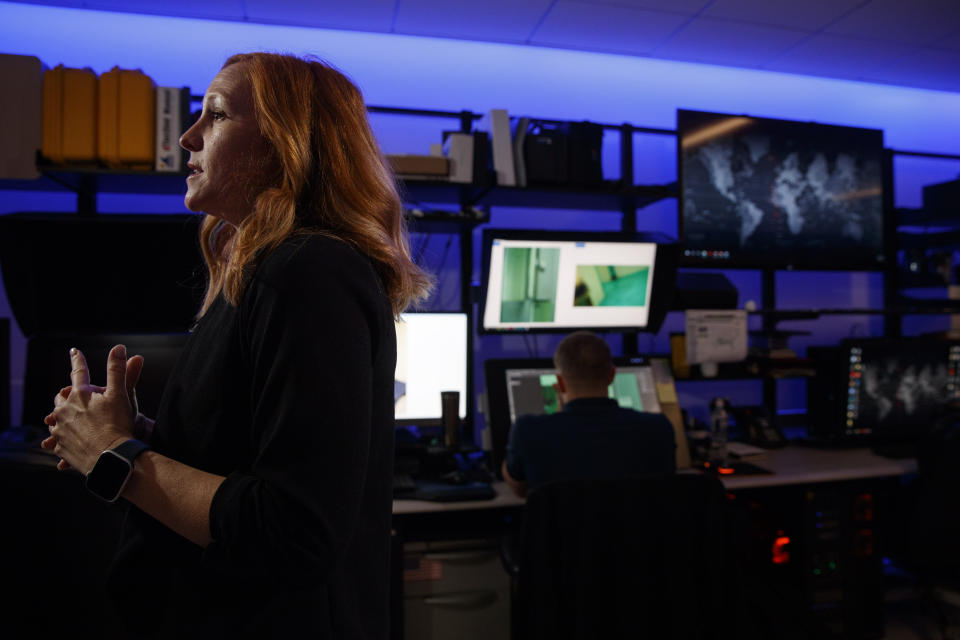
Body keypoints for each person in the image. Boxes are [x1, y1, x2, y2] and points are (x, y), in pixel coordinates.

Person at [41, 52, 432, 638]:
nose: (187, 136)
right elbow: (248, 457)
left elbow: (294, 530)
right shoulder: (266, 271)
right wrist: (134, 436)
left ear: (287, 144)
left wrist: (114, 456)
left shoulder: (307, 269)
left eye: (216, 115)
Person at [502, 331, 676, 498]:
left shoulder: (529, 431)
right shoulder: (658, 428)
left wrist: (556, 417)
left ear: (560, 383)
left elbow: (520, 489)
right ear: (612, 375)